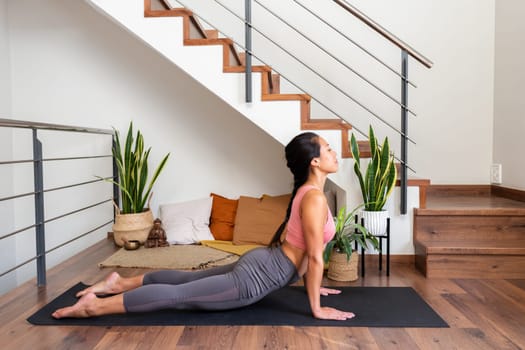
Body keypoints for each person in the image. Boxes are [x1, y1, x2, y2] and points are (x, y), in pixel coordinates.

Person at [52, 132, 355, 321]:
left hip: (261, 262)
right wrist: (315, 307)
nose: (333, 153)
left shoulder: (306, 193)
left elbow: (305, 254)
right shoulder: (314, 198)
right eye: (328, 149)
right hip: (256, 279)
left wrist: (314, 286)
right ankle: (95, 307)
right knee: (179, 297)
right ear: (314, 162)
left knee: (184, 281)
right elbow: (314, 257)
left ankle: (117, 284)